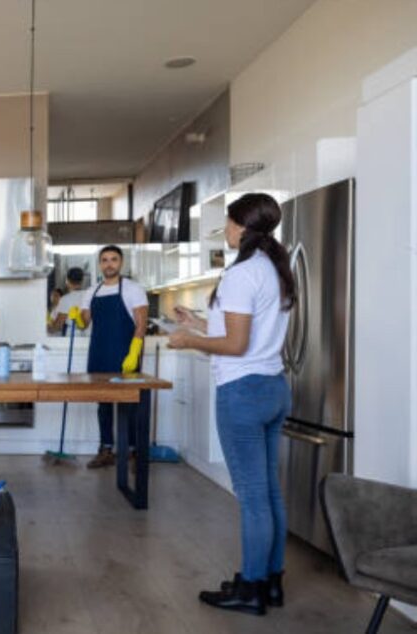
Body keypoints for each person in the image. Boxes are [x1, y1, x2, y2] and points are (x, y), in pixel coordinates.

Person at [168, 193, 295, 616]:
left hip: (243, 392)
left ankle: (251, 588)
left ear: (242, 226)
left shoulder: (241, 273)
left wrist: (190, 341)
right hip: (273, 387)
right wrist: (198, 323)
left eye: (228, 222)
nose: (225, 229)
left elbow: (237, 346)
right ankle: (270, 582)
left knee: (253, 496)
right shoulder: (274, 268)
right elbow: (245, 334)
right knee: (269, 491)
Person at [73, 246, 148, 468]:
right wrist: (77, 318)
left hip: (125, 353)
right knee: (103, 403)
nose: (109, 264)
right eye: (104, 260)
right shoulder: (91, 291)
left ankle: (133, 452)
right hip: (98, 353)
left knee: (130, 404)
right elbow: (85, 323)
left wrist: (134, 352)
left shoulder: (133, 289)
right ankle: (106, 449)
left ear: (121, 262)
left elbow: (141, 324)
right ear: (100, 264)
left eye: (114, 259)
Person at [50, 267, 87, 336]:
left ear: (67, 281)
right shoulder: (89, 295)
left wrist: (46, 328)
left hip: (73, 334)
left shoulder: (65, 299)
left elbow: (58, 326)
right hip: (89, 334)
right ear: (82, 281)